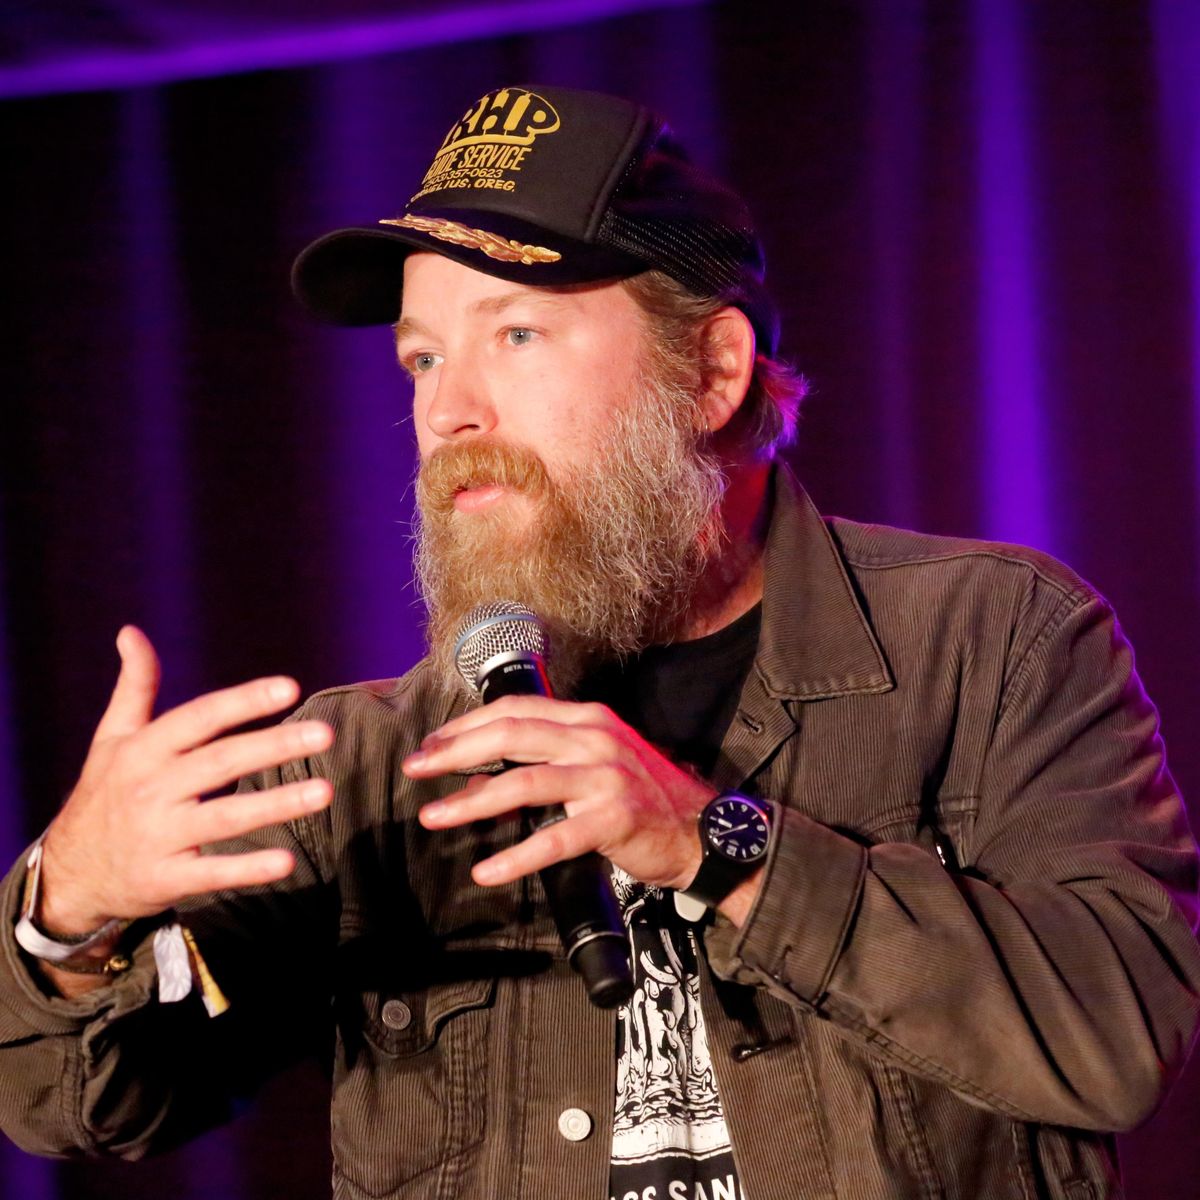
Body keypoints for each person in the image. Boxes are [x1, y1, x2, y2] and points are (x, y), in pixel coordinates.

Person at [0, 82, 1197, 1200]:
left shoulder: (991, 643)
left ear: (712, 370)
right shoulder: (361, 767)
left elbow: (1120, 1034)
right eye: (422, 356)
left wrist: (716, 847)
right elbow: (82, 1106)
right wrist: (68, 917)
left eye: (516, 335)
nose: (446, 408)